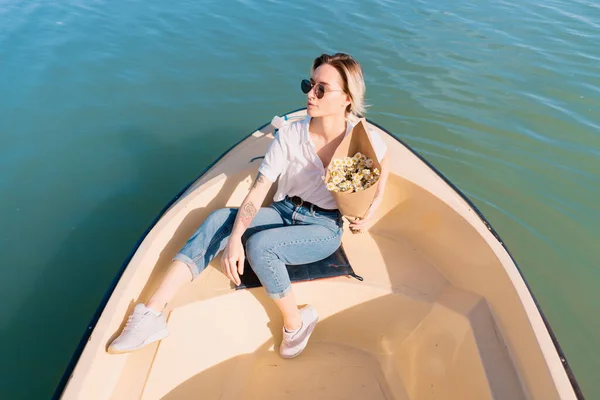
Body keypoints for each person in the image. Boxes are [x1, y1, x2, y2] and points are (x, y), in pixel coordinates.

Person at [108, 52, 389, 358]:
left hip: (322, 226)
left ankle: (297, 322)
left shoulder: (362, 138)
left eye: (321, 89)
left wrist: (372, 209)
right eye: (309, 85)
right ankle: (152, 314)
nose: (310, 93)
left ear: (347, 98)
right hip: (283, 211)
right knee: (218, 220)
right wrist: (233, 239)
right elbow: (258, 190)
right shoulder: (292, 134)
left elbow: (383, 161)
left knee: (261, 246)